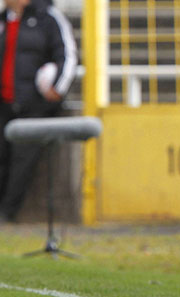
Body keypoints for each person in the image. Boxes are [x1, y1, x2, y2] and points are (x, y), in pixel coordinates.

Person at [0, 0, 77, 222]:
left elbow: (68, 55)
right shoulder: (4, 19)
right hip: (4, 103)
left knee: (22, 161)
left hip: (33, 106)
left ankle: (6, 213)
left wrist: (58, 88)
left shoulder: (49, 17)